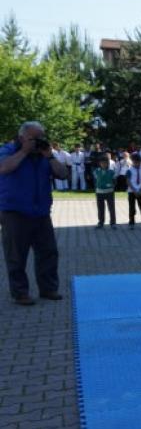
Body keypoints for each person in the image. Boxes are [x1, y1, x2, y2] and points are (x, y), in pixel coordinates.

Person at [0, 121, 67, 305]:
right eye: (34, 138)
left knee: (48, 252)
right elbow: (4, 168)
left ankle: (48, 289)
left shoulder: (43, 155)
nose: (38, 142)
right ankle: (20, 293)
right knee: (16, 255)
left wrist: (51, 156)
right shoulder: (8, 150)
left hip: (41, 213)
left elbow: (63, 174)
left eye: (41, 137)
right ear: (22, 137)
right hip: (15, 212)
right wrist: (24, 151)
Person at [125, 153, 141, 230]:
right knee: (132, 208)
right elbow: (128, 181)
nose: (137, 163)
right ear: (132, 161)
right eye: (135, 162)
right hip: (131, 191)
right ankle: (131, 222)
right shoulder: (129, 170)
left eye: (138, 161)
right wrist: (134, 190)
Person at [93, 155, 117, 229]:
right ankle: (101, 222)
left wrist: (112, 186)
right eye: (102, 163)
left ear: (108, 163)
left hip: (109, 192)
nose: (103, 164)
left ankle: (113, 223)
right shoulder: (96, 171)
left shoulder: (111, 172)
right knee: (100, 208)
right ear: (99, 163)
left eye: (105, 163)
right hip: (99, 192)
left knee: (111, 208)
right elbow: (96, 180)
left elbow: (114, 181)